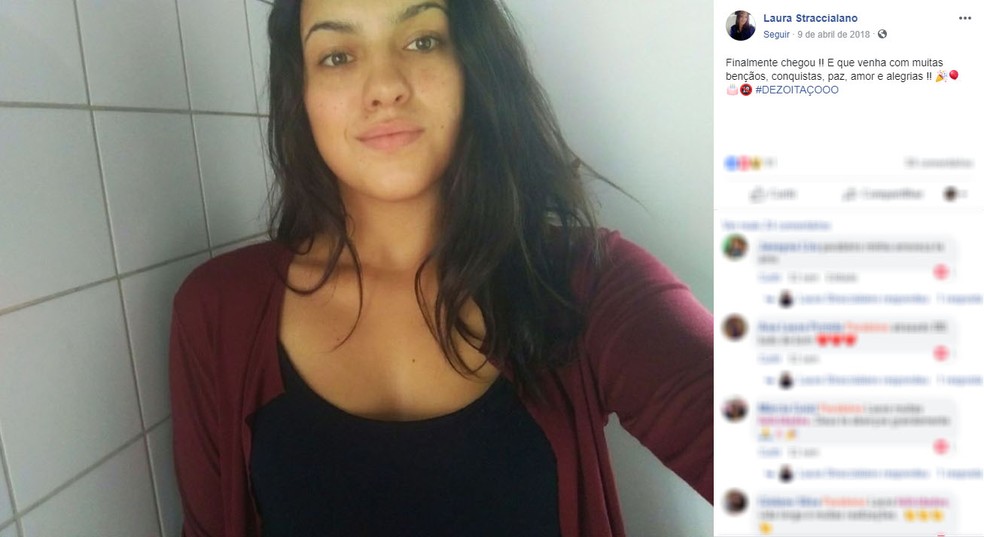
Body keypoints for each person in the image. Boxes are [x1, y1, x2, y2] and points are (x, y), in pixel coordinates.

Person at [169, 0, 713, 535]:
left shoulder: (588, 281)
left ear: (474, 67)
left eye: (422, 40)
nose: (385, 86)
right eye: (337, 56)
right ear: (301, 95)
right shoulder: (219, 309)